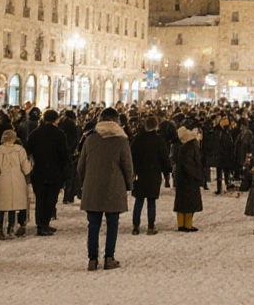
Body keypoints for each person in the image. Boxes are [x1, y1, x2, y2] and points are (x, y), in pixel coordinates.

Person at [78, 107, 134, 271]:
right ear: (116, 121)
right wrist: (129, 185)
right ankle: (109, 257)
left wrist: (83, 184)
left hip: (92, 186)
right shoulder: (121, 140)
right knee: (112, 223)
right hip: (113, 186)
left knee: (93, 225)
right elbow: (127, 166)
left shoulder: (90, 139)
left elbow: (81, 165)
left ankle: (92, 259)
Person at [28, 109, 71, 236]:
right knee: (51, 199)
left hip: (39, 170)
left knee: (40, 199)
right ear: (56, 119)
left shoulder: (35, 133)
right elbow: (64, 154)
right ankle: (44, 224)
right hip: (54, 171)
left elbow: (29, 150)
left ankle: (40, 224)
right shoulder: (59, 134)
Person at [130, 116, 173, 234]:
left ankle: (135, 225)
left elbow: (132, 155)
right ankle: (150, 226)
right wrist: (168, 171)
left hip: (140, 173)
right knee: (151, 201)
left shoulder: (138, 139)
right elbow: (164, 158)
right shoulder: (159, 140)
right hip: (153, 174)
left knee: (138, 200)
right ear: (156, 126)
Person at [0, 129, 32, 240]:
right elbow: (26, 168)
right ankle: (11, 228)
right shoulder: (20, 150)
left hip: (2, 180)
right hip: (18, 179)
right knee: (13, 206)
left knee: (2, 206)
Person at [173, 125, 204, 232]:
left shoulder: (183, 147)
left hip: (181, 179)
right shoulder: (192, 146)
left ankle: (181, 224)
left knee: (181, 203)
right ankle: (188, 225)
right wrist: (196, 176)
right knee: (189, 203)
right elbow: (190, 164)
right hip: (189, 179)